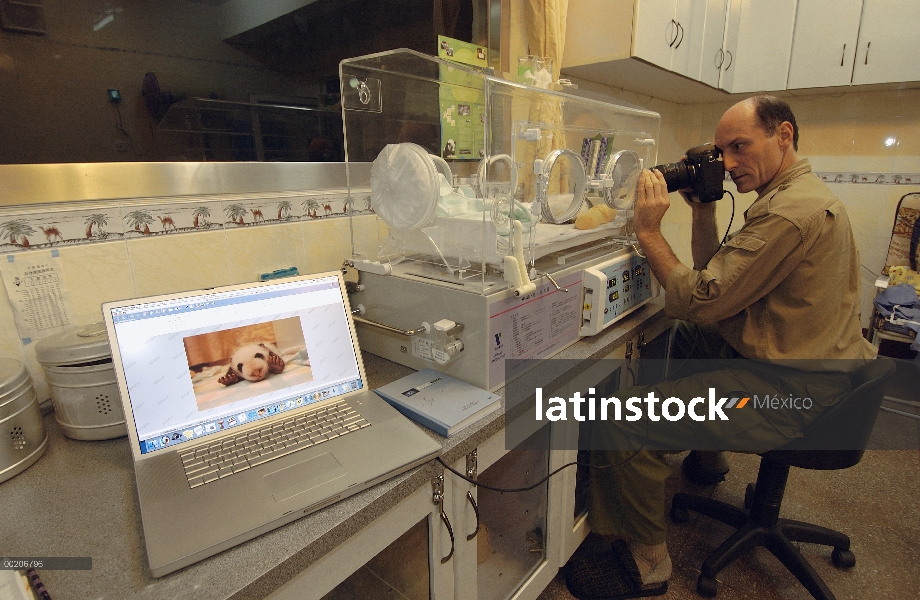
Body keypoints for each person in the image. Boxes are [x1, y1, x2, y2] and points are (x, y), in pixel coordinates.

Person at [564, 95, 877, 600]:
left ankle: (649, 562)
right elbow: (721, 283)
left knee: (620, 418)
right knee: (686, 340)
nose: (728, 164)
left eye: (740, 147)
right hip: (823, 369)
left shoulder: (787, 214)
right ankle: (706, 458)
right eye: (722, 152)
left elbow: (701, 299)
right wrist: (702, 211)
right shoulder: (795, 194)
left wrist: (648, 231)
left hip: (797, 393)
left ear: (784, 135)